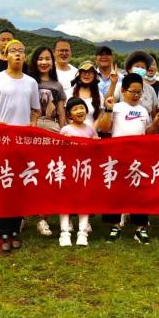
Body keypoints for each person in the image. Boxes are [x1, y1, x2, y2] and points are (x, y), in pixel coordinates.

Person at [0, 39, 40, 253]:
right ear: (5, 55)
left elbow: (35, 109)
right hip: (1, 140)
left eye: (21, 51)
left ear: (25, 56)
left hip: (23, 140)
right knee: (3, 184)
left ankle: (15, 230)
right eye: (13, 51)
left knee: (19, 185)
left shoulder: (31, 83)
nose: (17, 54)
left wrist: (33, 123)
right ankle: (2, 232)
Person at [98, 73, 159, 245]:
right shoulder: (116, 107)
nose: (136, 95)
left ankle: (140, 228)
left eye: (139, 92)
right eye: (132, 91)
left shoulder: (143, 110)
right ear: (123, 91)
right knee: (116, 191)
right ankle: (114, 226)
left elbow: (146, 132)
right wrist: (108, 110)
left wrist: (155, 124)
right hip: (118, 155)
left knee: (139, 191)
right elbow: (104, 128)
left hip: (138, 156)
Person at [28, 45, 67, 237]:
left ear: (52, 62)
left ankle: (42, 218)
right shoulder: (27, 81)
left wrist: (64, 132)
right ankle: (21, 215)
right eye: (40, 58)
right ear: (35, 61)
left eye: (47, 59)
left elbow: (61, 112)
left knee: (46, 174)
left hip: (51, 129)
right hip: (30, 129)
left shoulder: (57, 86)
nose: (44, 62)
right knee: (28, 172)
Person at [58, 97, 99, 247]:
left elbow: (96, 150)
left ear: (86, 110)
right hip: (69, 171)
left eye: (81, 107)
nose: (79, 111)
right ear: (69, 114)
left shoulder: (90, 130)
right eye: (75, 109)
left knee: (84, 200)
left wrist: (96, 142)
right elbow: (59, 150)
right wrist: (64, 141)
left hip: (85, 172)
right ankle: (65, 233)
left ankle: (82, 232)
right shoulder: (66, 130)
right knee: (65, 201)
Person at [109, 51, 159, 118]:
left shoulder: (150, 90)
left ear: (146, 71)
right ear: (129, 69)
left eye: (143, 68)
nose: (140, 70)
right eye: (137, 67)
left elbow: (154, 114)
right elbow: (108, 102)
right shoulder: (120, 86)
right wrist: (113, 83)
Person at [65, 61, 104, 129]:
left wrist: (91, 131)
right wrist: (78, 130)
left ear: (94, 75)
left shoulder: (99, 95)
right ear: (79, 74)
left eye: (90, 72)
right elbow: (65, 115)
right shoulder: (69, 93)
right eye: (84, 71)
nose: (87, 74)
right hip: (72, 132)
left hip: (92, 132)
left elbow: (99, 116)